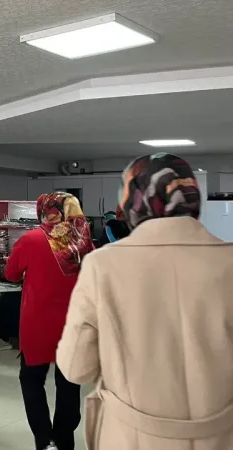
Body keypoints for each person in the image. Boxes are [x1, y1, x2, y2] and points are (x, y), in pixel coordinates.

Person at [57, 153, 233, 450]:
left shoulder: (103, 265)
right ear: (193, 197)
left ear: (131, 201)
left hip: (132, 437)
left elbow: (76, 367)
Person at [5, 192, 93, 450]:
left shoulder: (31, 239)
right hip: (73, 325)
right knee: (69, 384)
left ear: (45, 210)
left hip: (38, 324)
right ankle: (64, 439)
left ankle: (45, 440)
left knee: (32, 380)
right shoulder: (84, 242)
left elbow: (11, 274)